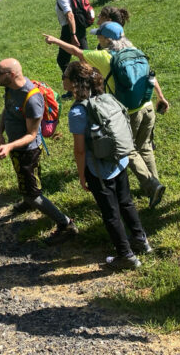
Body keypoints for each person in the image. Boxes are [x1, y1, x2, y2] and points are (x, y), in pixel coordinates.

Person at [43, 22, 169, 209]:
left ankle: (152, 185)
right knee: (145, 147)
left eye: (99, 36)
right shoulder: (135, 50)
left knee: (128, 150)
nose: (97, 39)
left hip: (129, 112)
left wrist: (55, 41)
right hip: (147, 106)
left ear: (106, 39)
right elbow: (151, 76)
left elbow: (76, 52)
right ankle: (154, 186)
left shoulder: (104, 57)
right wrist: (161, 96)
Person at [65, 61, 151, 270]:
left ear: (75, 84)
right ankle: (140, 240)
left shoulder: (78, 112)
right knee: (126, 202)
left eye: (65, 76)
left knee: (110, 214)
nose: (63, 80)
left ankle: (126, 256)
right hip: (119, 160)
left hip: (99, 170)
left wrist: (82, 174)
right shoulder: (107, 98)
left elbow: (80, 150)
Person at [0, 58, 78, 244]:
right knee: (27, 179)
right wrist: (0, 133)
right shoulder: (10, 88)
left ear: (11, 75)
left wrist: (9, 146)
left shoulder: (32, 99)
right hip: (17, 148)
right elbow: (7, 110)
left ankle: (65, 224)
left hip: (27, 151)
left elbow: (32, 134)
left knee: (32, 191)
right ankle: (28, 200)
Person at [50, 0, 88, 99]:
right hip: (79, 27)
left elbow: (70, 15)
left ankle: (74, 88)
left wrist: (73, 34)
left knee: (63, 60)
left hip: (70, 29)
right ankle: (89, 83)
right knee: (85, 57)